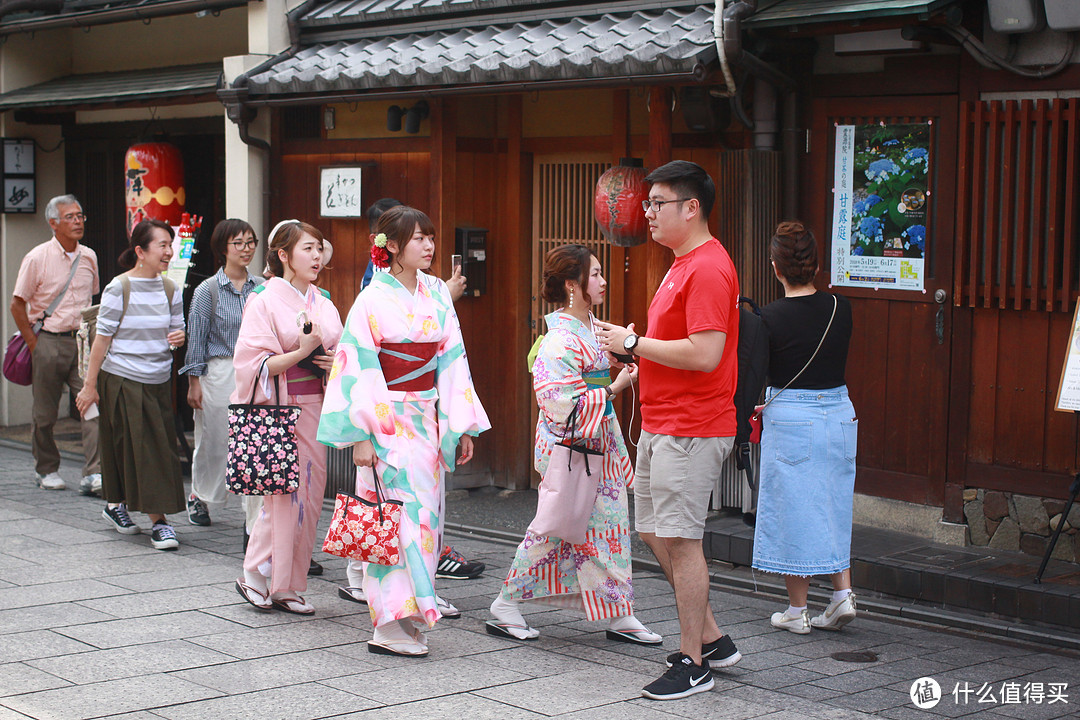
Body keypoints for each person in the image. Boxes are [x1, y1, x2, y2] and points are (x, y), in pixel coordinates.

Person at [595, 160, 742, 701]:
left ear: (692, 207)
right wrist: (639, 356)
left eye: (658, 203)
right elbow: (679, 345)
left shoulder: (705, 268)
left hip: (691, 425)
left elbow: (706, 354)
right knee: (656, 531)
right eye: (648, 203)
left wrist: (633, 346)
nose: (648, 212)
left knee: (682, 541)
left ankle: (692, 661)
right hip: (664, 420)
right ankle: (713, 639)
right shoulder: (681, 263)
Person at [318, 204, 490, 657]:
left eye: (431, 237)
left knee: (426, 521)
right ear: (390, 245)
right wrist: (360, 435)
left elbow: (453, 358)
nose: (429, 246)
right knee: (395, 523)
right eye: (419, 239)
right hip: (386, 420)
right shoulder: (372, 298)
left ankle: (412, 615)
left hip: (427, 419)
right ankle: (387, 625)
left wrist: (461, 425)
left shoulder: (435, 291)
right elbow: (355, 366)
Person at [486, 244, 661, 646]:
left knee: (608, 525)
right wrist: (614, 386)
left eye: (601, 273)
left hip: (597, 443)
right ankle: (505, 603)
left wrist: (614, 362)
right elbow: (560, 406)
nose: (602, 280)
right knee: (557, 525)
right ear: (572, 284)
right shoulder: (558, 339)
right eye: (594, 274)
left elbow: (591, 377)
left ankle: (619, 611)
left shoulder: (591, 328)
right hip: (573, 448)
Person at [232, 220, 342, 614]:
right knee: (281, 496)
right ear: (284, 255)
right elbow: (250, 364)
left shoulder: (323, 301)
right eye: (307, 249)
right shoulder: (262, 300)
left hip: (315, 405)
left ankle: (289, 586)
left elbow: (341, 352)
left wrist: (333, 363)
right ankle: (255, 575)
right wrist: (302, 352)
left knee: (310, 498)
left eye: (318, 249)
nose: (316, 257)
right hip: (279, 406)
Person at [753, 221, 857, 634]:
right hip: (840, 411)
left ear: (775, 266)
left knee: (794, 507)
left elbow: (762, 372)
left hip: (794, 415)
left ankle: (797, 611)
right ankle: (841, 594)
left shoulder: (768, 316)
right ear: (815, 266)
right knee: (834, 502)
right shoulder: (841, 307)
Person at [75, 219, 186, 550]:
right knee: (141, 449)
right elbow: (102, 341)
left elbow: (175, 335)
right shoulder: (118, 288)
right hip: (122, 378)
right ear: (140, 251)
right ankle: (159, 522)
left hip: (157, 380)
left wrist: (178, 338)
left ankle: (114, 505)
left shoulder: (171, 290)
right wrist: (89, 386)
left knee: (149, 448)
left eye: (170, 245)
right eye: (162, 245)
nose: (168, 252)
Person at [10, 194, 101, 494]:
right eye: (70, 217)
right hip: (48, 340)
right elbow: (17, 305)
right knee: (45, 413)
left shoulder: (89, 256)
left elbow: (93, 299)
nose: (78, 221)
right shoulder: (37, 257)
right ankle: (46, 468)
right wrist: (35, 345)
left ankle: (93, 472)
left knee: (91, 405)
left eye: (81, 216)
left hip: (82, 342)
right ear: (53, 223)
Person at [179, 220, 262, 529]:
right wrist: (194, 382)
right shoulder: (207, 290)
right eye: (238, 243)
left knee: (252, 438)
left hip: (255, 371)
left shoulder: (261, 287)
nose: (246, 249)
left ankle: (250, 505)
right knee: (213, 438)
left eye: (250, 242)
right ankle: (199, 496)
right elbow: (196, 339)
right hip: (219, 370)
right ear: (222, 248)